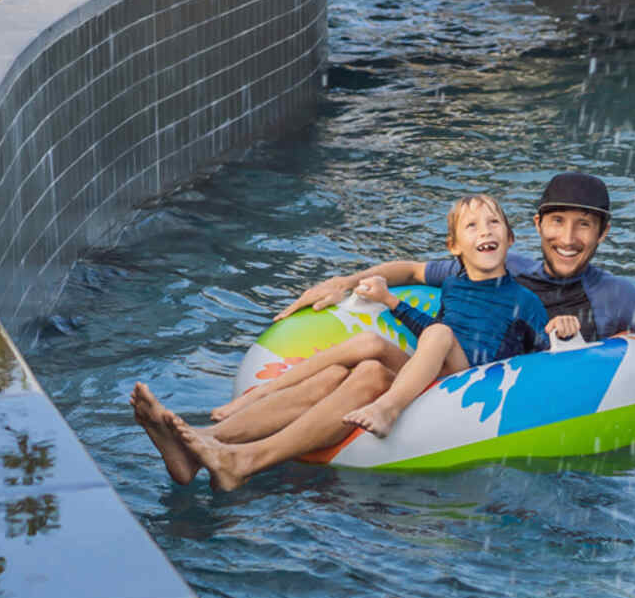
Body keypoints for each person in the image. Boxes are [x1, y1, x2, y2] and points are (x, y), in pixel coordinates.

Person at [130, 194, 575, 490]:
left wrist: (564, 331)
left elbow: (539, 361)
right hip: (432, 370)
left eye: (494, 223)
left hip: (470, 384)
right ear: (454, 246)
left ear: (512, 239)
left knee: (436, 335)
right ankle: (209, 438)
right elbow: (408, 270)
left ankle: (382, 410)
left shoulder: (525, 301)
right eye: (473, 226)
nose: (485, 231)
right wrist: (362, 289)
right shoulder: (452, 278)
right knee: (367, 356)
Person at [280, 172, 635, 433]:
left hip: (541, 408)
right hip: (462, 382)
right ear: (537, 224)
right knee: (358, 364)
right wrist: (344, 280)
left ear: (603, 233)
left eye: (584, 226)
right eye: (557, 222)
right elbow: (412, 271)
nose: (568, 238)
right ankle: (270, 413)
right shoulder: (504, 267)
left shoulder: (615, 295)